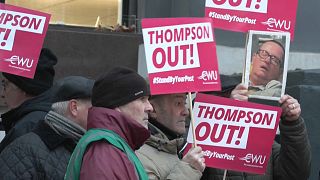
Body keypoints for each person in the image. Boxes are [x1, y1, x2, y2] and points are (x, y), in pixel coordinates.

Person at [201, 84, 311, 180]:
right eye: (225, 100)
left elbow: (296, 174)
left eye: (244, 98)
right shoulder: (199, 143)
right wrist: (228, 115)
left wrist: (292, 123)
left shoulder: (265, 144)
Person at [65, 67, 153, 180]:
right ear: (117, 104)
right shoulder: (104, 150)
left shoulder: (113, 146)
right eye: (142, 99)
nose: (150, 107)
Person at [0, 76, 93, 179]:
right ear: (74, 108)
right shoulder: (23, 150)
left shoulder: (90, 145)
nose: (101, 114)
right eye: (94, 108)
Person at [0, 48, 57, 153]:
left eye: (5, 84)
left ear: (24, 89)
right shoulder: (48, 116)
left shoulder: (27, 126)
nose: (2, 93)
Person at [136, 93, 205, 179]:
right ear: (153, 109)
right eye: (178, 103)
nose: (186, 112)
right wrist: (189, 168)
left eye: (185, 103)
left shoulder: (173, 146)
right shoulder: (139, 155)